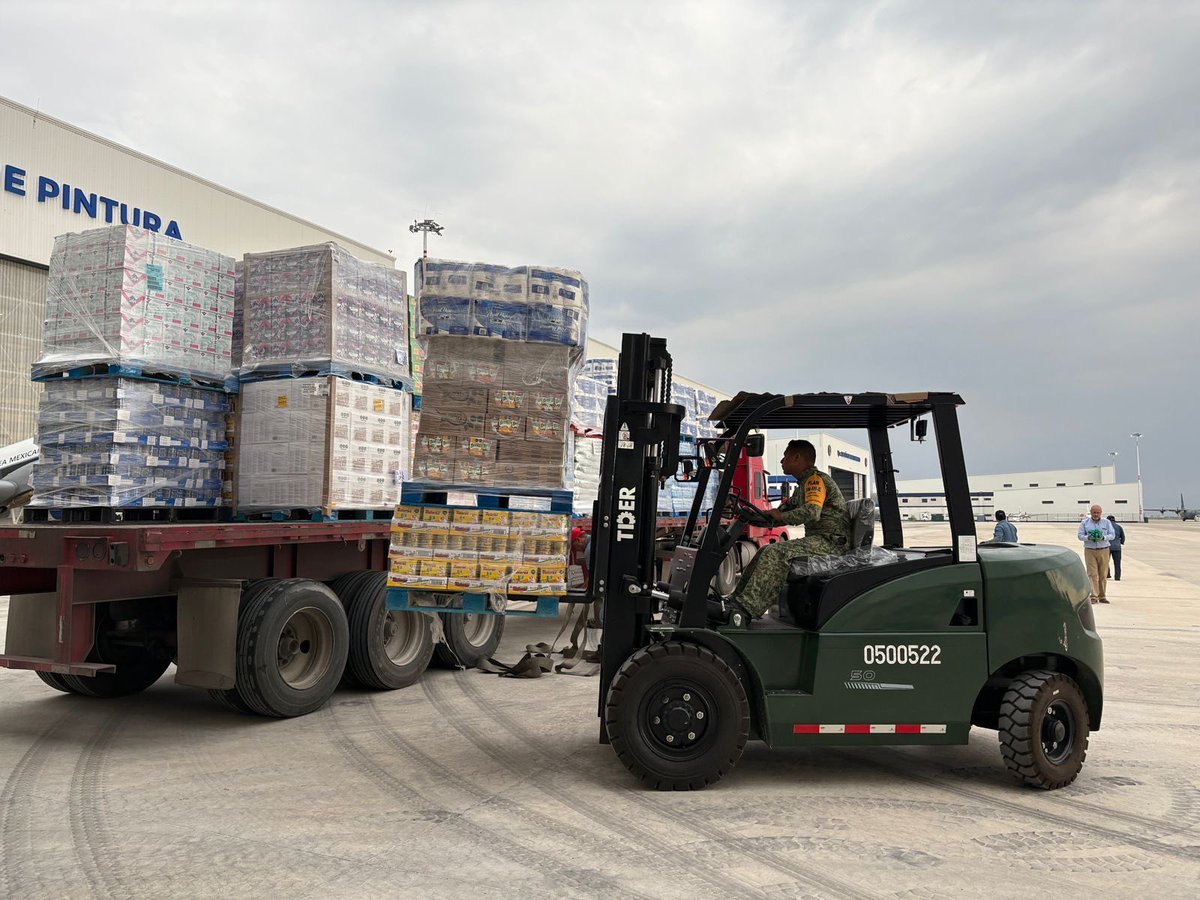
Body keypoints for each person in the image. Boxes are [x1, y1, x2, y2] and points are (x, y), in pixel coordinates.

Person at [726, 439, 852, 618]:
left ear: (797, 458)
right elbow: (781, 512)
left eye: (785, 457)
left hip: (830, 543)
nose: (781, 461)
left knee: (776, 553)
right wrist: (755, 517)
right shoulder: (803, 485)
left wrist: (781, 516)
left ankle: (748, 609)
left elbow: (811, 512)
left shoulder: (815, 481)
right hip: (821, 540)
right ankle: (736, 600)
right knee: (764, 551)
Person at [1077, 504, 1116, 604]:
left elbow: (1112, 535)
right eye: (1094, 512)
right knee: (1092, 574)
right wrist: (1088, 538)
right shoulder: (1084, 523)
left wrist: (1103, 538)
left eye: (1098, 512)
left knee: (1103, 574)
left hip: (1104, 549)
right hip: (1090, 550)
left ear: (1101, 513)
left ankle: (1102, 596)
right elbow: (1080, 536)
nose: (1096, 514)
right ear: (1091, 512)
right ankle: (1094, 596)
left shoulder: (1106, 522)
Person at [1106, 514, 1126, 581]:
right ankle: (1117, 577)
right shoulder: (1119, 527)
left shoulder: (1106, 527)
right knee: (1117, 563)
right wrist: (1121, 542)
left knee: (1105, 562)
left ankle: (1107, 574)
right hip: (1117, 547)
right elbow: (1123, 537)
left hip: (1107, 546)